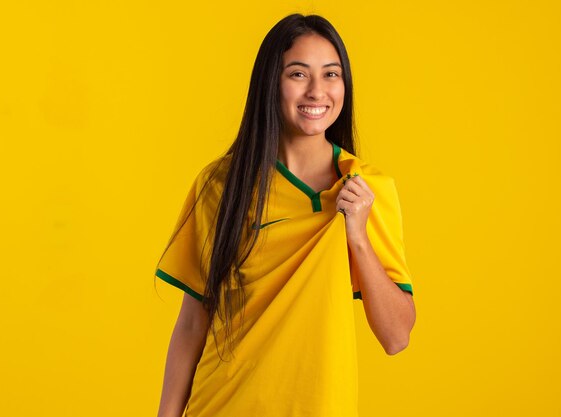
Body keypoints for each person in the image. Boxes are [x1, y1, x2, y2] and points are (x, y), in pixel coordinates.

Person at [154, 13, 417, 417]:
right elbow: (193, 322)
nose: (317, 91)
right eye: (298, 74)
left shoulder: (367, 189)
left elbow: (397, 337)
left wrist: (358, 237)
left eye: (331, 74)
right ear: (270, 83)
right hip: (222, 405)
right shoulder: (222, 184)